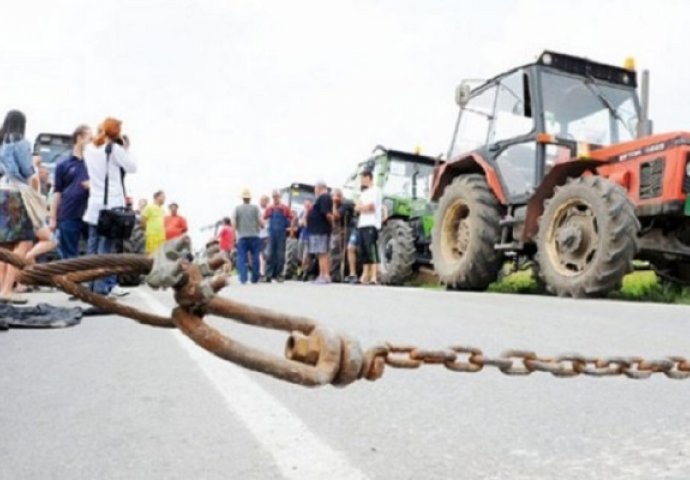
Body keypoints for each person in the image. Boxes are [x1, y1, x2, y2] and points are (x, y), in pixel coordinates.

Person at [0, 110, 56, 303]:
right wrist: (32, 165)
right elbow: (26, 171)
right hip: (16, 194)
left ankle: (2, 289)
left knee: (4, 246)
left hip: (1, 193)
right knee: (23, 242)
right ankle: (7, 290)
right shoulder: (22, 143)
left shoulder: (1, 143)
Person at [83, 117, 137, 297]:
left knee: (92, 248)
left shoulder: (89, 149)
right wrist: (126, 148)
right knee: (105, 249)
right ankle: (100, 289)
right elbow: (132, 167)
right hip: (111, 206)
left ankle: (90, 286)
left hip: (94, 205)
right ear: (116, 133)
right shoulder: (114, 149)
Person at [50, 125, 92, 260]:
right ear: (79, 138)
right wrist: (53, 217)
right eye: (90, 139)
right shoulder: (63, 165)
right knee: (69, 255)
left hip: (90, 215)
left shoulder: (94, 164)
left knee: (94, 253)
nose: (92, 143)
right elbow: (57, 193)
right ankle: (71, 280)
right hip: (68, 214)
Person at [355, 170, 383, 285]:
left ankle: (374, 277)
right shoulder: (364, 192)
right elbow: (357, 207)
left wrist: (362, 207)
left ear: (369, 178)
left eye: (363, 178)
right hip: (362, 224)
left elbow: (372, 207)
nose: (361, 180)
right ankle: (364, 275)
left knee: (372, 251)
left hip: (372, 224)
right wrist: (362, 207)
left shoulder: (376, 191)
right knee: (364, 252)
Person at [233, 188, 263, 284]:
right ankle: (254, 278)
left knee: (242, 257)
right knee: (255, 257)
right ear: (250, 198)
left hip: (242, 237)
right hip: (255, 236)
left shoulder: (237, 209)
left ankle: (243, 278)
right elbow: (260, 221)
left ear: (242, 198)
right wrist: (262, 226)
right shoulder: (256, 208)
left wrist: (235, 233)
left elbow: (234, 223)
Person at [306, 180, 333, 284]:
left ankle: (324, 275)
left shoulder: (324, 197)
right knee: (320, 252)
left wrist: (332, 223)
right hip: (317, 229)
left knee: (322, 253)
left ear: (319, 188)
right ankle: (323, 275)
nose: (315, 191)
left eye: (315, 188)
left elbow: (327, 213)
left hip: (320, 229)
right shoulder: (321, 198)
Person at [263, 189, 293, 282]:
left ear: (280, 197)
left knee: (280, 254)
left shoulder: (285, 208)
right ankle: (268, 275)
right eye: (274, 196)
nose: (275, 198)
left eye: (277, 196)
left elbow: (291, 219)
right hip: (271, 233)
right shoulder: (269, 208)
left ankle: (279, 275)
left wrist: (291, 231)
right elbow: (264, 218)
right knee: (270, 254)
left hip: (281, 233)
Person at [331, 188, 356, 283]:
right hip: (340, 230)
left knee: (340, 252)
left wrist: (334, 204)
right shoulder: (340, 204)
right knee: (336, 252)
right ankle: (336, 274)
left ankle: (341, 275)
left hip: (348, 229)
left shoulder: (346, 203)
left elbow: (336, 215)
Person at [297, 198, 313, 281]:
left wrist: (305, 219)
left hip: (309, 237)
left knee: (305, 256)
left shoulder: (312, 213)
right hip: (302, 236)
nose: (306, 206)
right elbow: (300, 224)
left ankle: (305, 272)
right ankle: (300, 271)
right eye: (305, 204)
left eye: (308, 204)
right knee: (299, 256)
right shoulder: (302, 212)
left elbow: (307, 225)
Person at [258, 194, 270, 278]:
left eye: (262, 201)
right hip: (260, 235)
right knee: (261, 254)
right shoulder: (260, 211)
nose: (260, 202)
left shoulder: (268, 211)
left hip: (265, 235)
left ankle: (263, 272)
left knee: (263, 254)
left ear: (266, 201)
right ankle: (262, 271)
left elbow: (266, 224)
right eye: (260, 200)